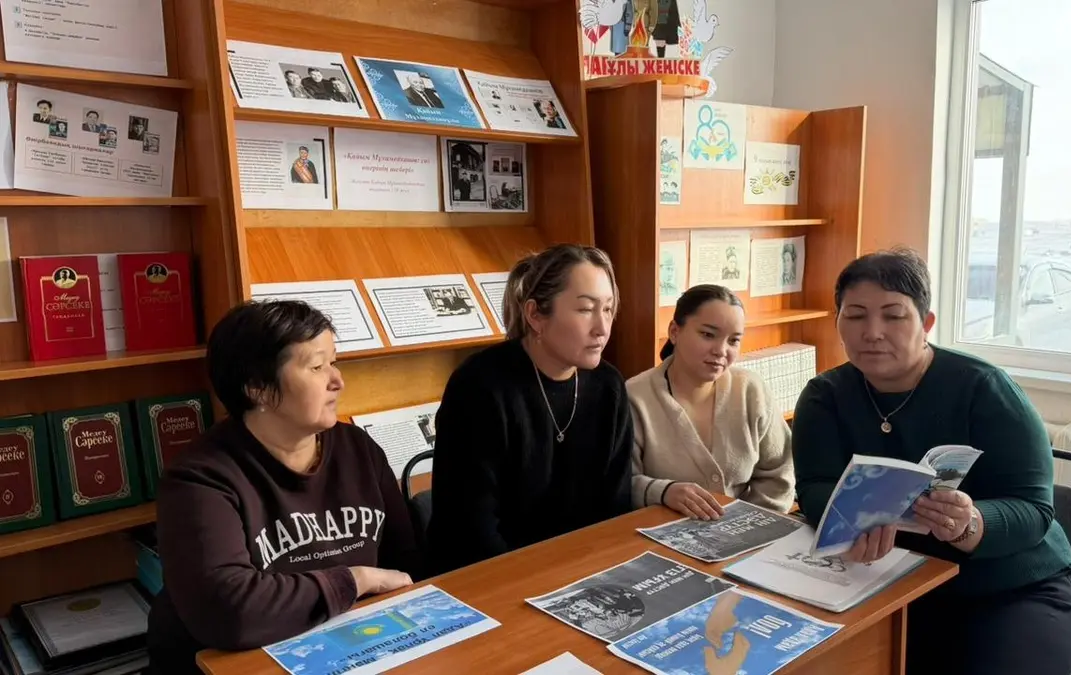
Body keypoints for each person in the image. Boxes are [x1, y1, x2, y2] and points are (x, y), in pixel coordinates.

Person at [792, 248, 1071, 675]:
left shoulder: (985, 389)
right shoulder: (824, 396)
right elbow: (814, 486)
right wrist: (850, 520)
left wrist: (970, 522)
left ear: (926, 323)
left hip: (1008, 586)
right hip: (889, 581)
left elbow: (1034, 509)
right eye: (855, 316)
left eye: (893, 316)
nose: (873, 332)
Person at [147, 301, 422, 674]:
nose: (337, 380)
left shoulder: (358, 449)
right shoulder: (198, 479)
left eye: (334, 362)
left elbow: (405, 564)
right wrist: (355, 581)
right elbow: (229, 611)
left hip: (350, 647)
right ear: (258, 388)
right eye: (317, 367)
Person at [428, 244, 633, 573]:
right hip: (486, 575)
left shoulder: (609, 386)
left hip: (579, 571)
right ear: (536, 315)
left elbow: (615, 508)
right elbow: (472, 531)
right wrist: (540, 580)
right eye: (585, 309)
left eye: (608, 309)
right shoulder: (479, 387)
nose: (602, 327)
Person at [627, 285, 794, 518]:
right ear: (674, 332)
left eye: (733, 341)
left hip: (746, 529)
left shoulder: (750, 389)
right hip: (658, 531)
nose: (721, 351)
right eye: (707, 335)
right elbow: (621, 483)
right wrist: (663, 492)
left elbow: (780, 472)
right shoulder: (635, 397)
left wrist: (747, 523)